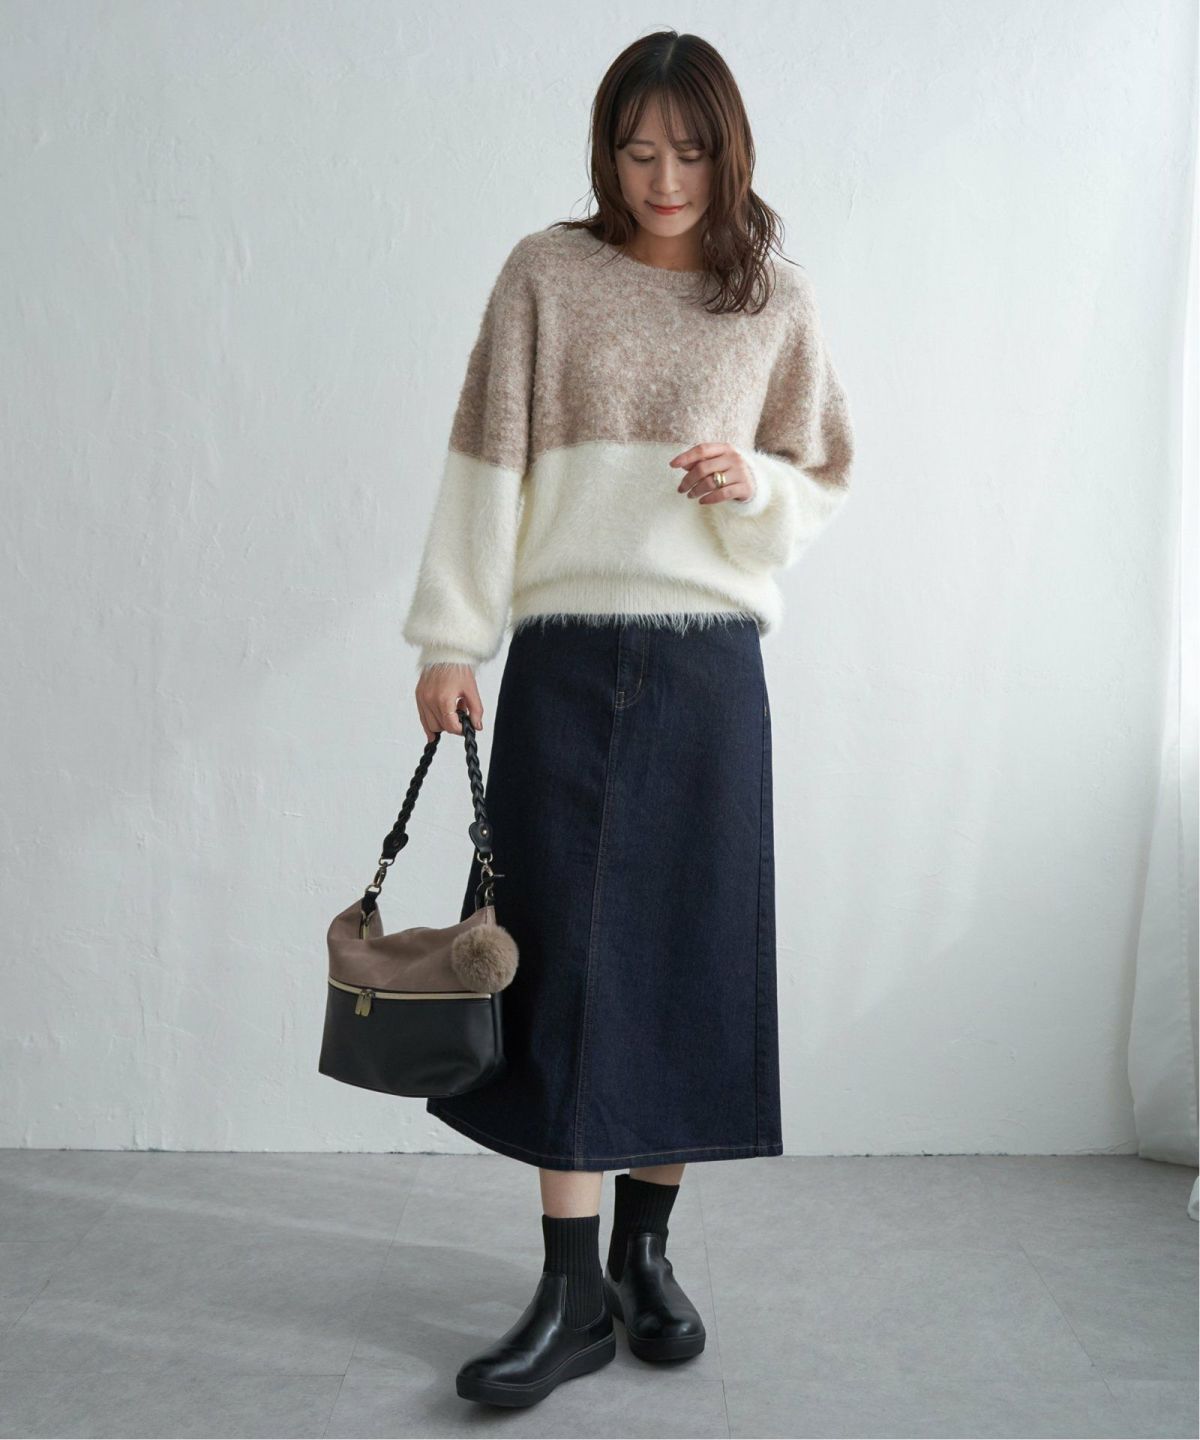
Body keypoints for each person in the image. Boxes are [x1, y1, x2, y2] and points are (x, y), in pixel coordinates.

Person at [401, 28, 855, 1409]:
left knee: (687, 958)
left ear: (730, 153)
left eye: (691, 152)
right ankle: (568, 1292)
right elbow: (484, 460)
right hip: (565, 656)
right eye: (639, 150)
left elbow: (823, 476)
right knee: (557, 969)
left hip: (711, 666)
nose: (664, 178)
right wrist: (452, 635)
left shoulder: (773, 299)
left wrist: (752, 487)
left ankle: (645, 1258)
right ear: (607, 151)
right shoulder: (547, 274)